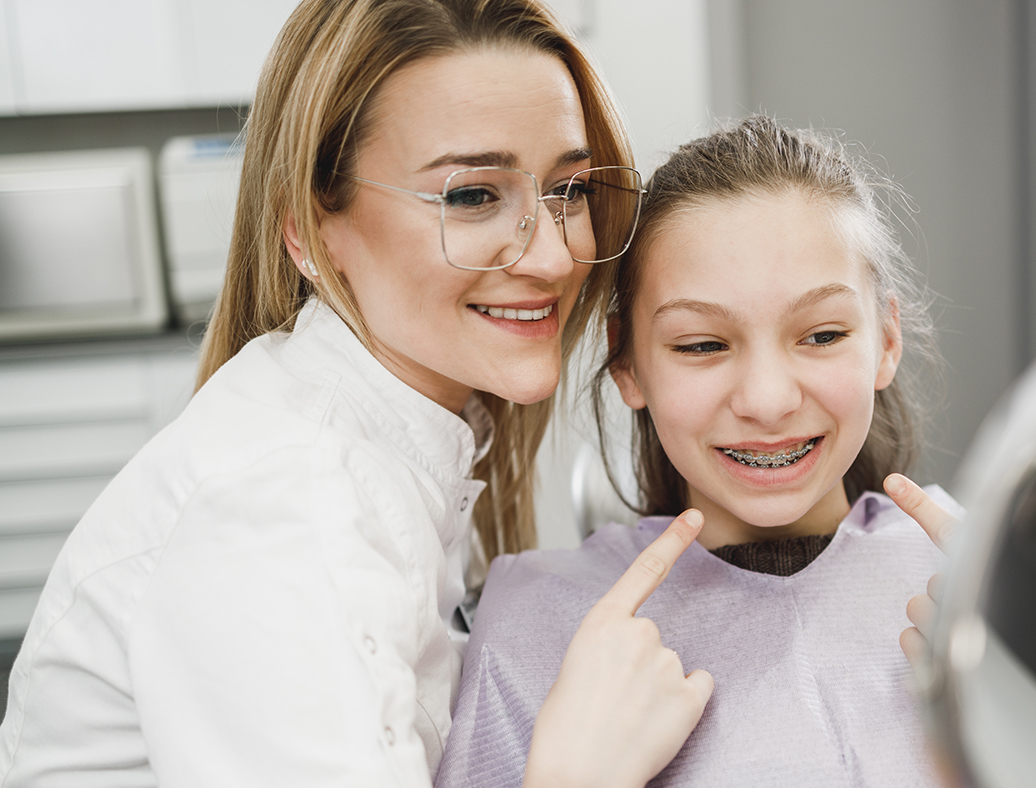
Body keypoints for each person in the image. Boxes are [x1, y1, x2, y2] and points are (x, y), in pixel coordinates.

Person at [0, 2, 711, 786]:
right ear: (310, 231)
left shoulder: (398, 433)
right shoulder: (285, 508)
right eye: (472, 195)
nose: (552, 256)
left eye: (570, 189)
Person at [437, 116, 957, 787]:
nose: (767, 401)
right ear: (627, 363)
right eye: (703, 345)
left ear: (885, 342)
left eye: (822, 335)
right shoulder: (535, 626)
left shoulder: (981, 591)